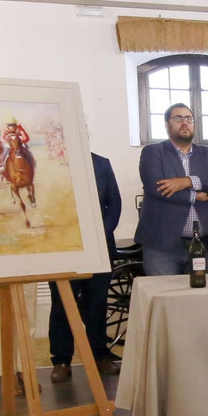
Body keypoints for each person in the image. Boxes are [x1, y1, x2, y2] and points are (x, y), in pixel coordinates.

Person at [50, 152, 122, 380]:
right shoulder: (50, 162)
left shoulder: (101, 163)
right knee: (62, 304)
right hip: (63, 247)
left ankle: (99, 355)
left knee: (97, 304)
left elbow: (114, 203)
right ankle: (61, 360)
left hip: (99, 247)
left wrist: (100, 233)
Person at [138, 103, 208, 275]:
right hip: (162, 246)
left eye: (189, 118)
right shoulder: (153, 152)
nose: (185, 122)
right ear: (167, 125)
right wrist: (194, 197)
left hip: (201, 243)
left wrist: (186, 182)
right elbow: (157, 188)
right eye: (178, 118)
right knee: (164, 292)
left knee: (202, 291)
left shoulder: (207, 153)